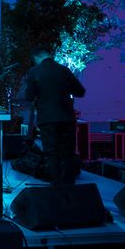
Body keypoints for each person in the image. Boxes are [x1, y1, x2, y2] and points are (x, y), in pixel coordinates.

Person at [22, 47, 86, 187]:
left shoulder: (34, 72)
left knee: (52, 153)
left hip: (47, 119)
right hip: (67, 117)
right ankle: (69, 186)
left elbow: (29, 96)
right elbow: (80, 91)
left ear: (37, 58)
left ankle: (56, 186)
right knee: (68, 153)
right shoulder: (64, 70)